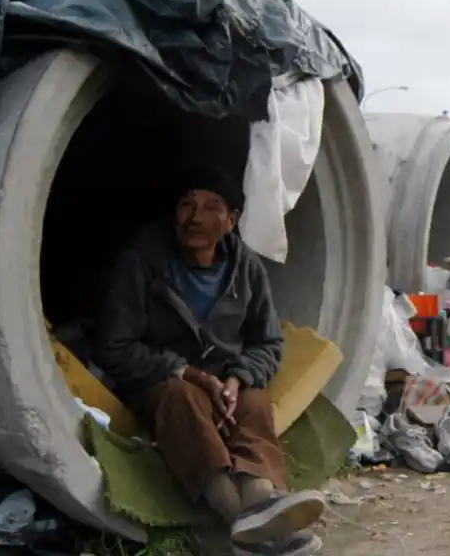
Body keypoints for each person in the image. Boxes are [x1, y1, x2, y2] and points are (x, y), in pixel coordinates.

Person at [96, 167, 324, 556]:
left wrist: (237, 379)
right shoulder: (143, 260)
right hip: (162, 378)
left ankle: (261, 503)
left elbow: (268, 342)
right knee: (181, 398)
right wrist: (183, 371)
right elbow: (114, 346)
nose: (195, 217)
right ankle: (242, 524)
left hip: (224, 382)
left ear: (231, 220)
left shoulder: (245, 267)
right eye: (187, 204)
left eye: (211, 207)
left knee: (254, 401)